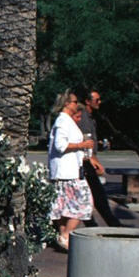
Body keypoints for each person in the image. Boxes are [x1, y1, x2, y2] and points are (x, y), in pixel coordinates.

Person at [48, 91, 94, 250]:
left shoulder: (65, 121)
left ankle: (63, 237)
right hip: (67, 173)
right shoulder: (63, 121)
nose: (77, 104)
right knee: (83, 203)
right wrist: (83, 145)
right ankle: (66, 235)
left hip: (68, 170)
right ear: (66, 103)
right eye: (74, 102)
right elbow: (60, 146)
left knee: (63, 207)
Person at [76, 90, 122, 227]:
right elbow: (86, 140)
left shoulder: (89, 117)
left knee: (91, 194)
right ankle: (111, 224)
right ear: (87, 101)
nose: (99, 102)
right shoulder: (83, 117)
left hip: (87, 159)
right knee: (96, 194)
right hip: (85, 160)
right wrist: (93, 159)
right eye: (97, 100)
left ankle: (95, 224)